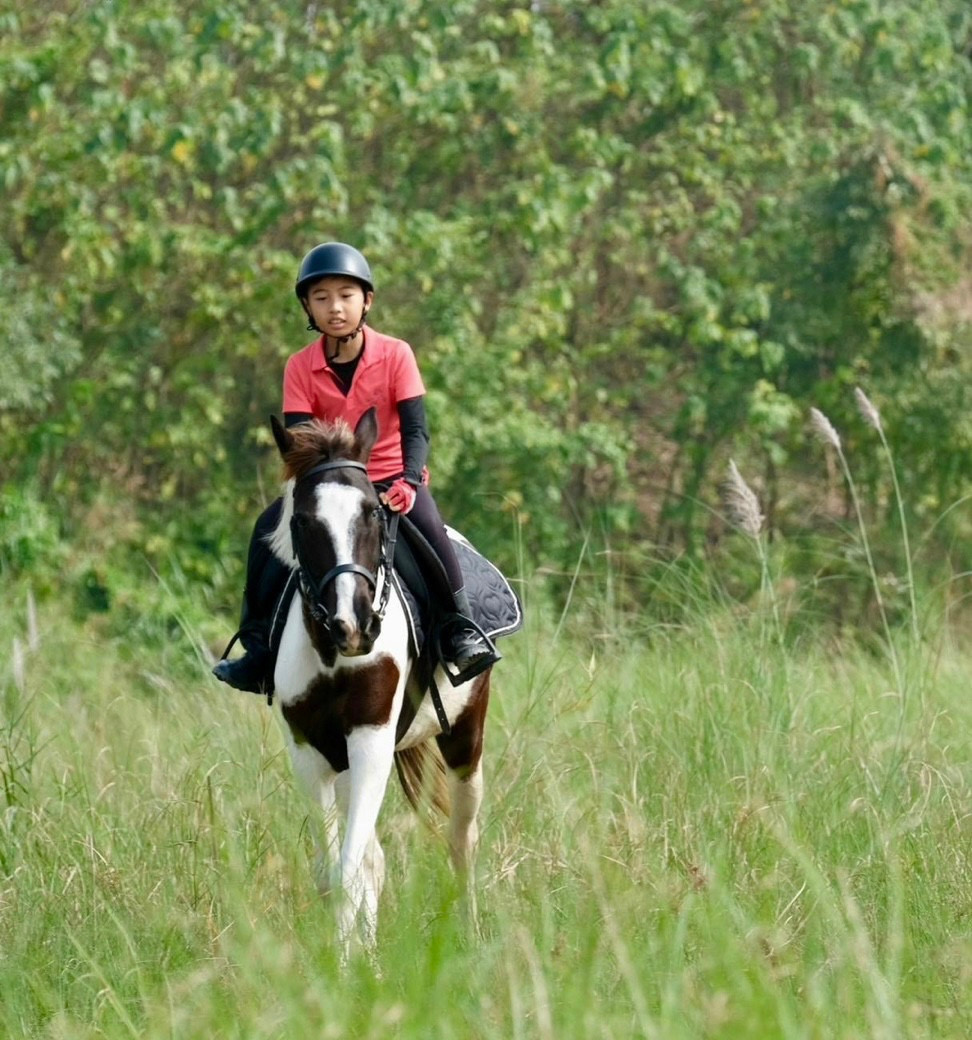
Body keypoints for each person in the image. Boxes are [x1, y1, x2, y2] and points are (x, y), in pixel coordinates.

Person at [213, 241, 499, 695]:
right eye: (321, 298)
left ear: (366, 301)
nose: (335, 308)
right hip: (327, 484)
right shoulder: (299, 367)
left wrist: (409, 480)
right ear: (307, 306)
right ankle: (258, 649)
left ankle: (460, 627)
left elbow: (416, 431)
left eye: (346, 295)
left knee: (432, 533)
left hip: (389, 479)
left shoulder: (397, 354)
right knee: (265, 533)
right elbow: (301, 443)